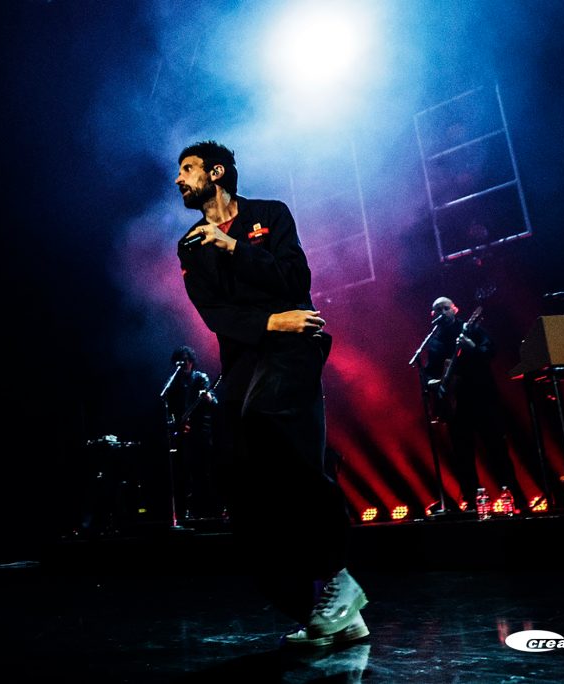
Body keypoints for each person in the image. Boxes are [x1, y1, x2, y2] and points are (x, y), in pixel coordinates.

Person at [174, 140, 368, 648]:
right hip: (246, 356)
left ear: (217, 172)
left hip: (293, 347)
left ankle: (339, 575)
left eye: (188, 169)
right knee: (239, 476)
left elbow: (295, 278)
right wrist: (268, 321)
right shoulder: (189, 246)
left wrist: (234, 247)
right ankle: (321, 610)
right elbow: (214, 314)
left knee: (271, 423)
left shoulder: (271, 214)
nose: (179, 179)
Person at [424, 297, 526, 513]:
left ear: (455, 309)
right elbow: (429, 371)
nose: (442, 312)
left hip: (482, 398)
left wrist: (472, 348)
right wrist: (432, 382)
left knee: (497, 449)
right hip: (455, 405)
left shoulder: (471, 328)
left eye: (446, 308)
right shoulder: (434, 340)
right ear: (433, 315)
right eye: (438, 310)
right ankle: (471, 501)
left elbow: (491, 351)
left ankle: (517, 499)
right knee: (462, 455)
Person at [163, 345, 221, 520]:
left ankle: (207, 510)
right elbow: (168, 405)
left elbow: (214, 402)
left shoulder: (200, 378)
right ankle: (186, 511)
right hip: (183, 434)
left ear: (192, 361)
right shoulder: (174, 382)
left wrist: (207, 397)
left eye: (188, 360)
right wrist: (176, 423)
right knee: (183, 472)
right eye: (182, 361)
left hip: (201, 432)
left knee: (202, 471)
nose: (186, 363)